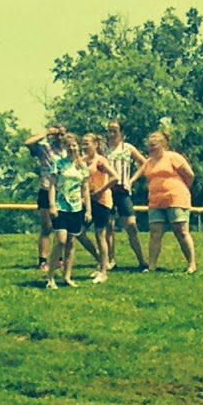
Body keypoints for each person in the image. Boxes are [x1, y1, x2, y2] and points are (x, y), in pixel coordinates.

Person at [130, 131, 197, 274]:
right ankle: (152, 266)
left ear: (163, 144)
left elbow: (190, 175)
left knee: (181, 231)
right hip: (155, 201)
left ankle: (192, 264)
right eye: (150, 145)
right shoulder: (149, 162)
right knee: (155, 233)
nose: (151, 148)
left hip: (176, 199)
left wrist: (181, 189)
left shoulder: (173, 157)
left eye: (154, 145)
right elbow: (142, 174)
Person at [44, 133, 92, 289]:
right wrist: (52, 205)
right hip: (61, 206)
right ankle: (50, 277)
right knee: (61, 240)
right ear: (65, 147)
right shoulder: (58, 164)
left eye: (74, 145)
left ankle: (67, 276)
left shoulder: (82, 167)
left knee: (71, 242)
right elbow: (52, 185)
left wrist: (88, 210)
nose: (72, 148)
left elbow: (85, 189)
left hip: (76, 208)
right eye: (69, 146)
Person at [105, 120, 149, 272]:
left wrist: (132, 180)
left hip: (123, 190)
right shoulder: (103, 149)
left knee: (131, 224)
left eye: (115, 130)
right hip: (107, 190)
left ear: (121, 133)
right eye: (109, 130)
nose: (111, 134)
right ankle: (110, 260)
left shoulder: (127, 148)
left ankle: (142, 260)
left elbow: (144, 163)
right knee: (108, 225)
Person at [24, 125, 67, 272]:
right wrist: (46, 133)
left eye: (62, 134)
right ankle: (43, 260)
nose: (59, 137)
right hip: (46, 189)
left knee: (62, 228)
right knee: (47, 227)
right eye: (57, 134)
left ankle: (58, 259)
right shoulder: (44, 148)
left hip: (64, 192)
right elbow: (28, 143)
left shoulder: (68, 151)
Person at [81, 133, 120, 284]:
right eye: (83, 143)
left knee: (100, 234)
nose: (85, 146)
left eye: (87, 143)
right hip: (88, 201)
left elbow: (115, 177)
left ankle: (103, 272)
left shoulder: (100, 161)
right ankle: (101, 259)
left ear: (95, 145)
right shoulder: (83, 161)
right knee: (79, 232)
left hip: (102, 201)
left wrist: (100, 191)